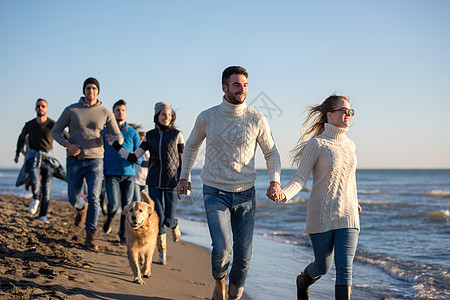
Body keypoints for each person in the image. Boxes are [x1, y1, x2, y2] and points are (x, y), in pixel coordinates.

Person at [176, 66, 283, 300]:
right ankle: (219, 281)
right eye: (236, 85)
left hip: (246, 194)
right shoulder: (208, 116)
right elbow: (192, 145)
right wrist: (184, 176)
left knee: (244, 255)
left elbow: (272, 153)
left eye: (245, 85)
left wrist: (274, 181)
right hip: (214, 191)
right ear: (224, 88)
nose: (242, 89)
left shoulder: (256, 117)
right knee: (223, 249)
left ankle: (235, 292)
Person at [269, 94, 361, 300]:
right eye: (343, 110)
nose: (348, 114)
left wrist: (355, 200)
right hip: (321, 215)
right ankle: (303, 282)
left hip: (348, 215)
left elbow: (350, 177)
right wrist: (284, 194)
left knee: (345, 269)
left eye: (350, 112)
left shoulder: (351, 145)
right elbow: (300, 178)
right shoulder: (317, 145)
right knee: (323, 266)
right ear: (329, 115)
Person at [106, 102, 184, 265]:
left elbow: (183, 160)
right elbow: (134, 157)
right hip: (154, 181)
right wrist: (115, 145)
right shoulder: (150, 136)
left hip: (171, 182)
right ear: (157, 116)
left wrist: (185, 181)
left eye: (169, 114)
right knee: (159, 218)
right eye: (163, 114)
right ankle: (162, 255)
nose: (166, 117)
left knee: (169, 220)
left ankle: (175, 224)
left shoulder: (178, 135)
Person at [51, 77, 124, 251]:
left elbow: (119, 136)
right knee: (73, 197)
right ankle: (81, 208)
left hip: (96, 160)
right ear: (84, 90)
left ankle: (90, 236)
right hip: (74, 161)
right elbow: (55, 131)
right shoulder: (71, 110)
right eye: (88, 88)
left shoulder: (106, 112)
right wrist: (67, 145)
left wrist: (113, 139)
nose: (91, 91)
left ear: (98, 91)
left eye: (94, 88)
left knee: (94, 197)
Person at [14, 98, 68, 223]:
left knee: (47, 188)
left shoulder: (52, 124)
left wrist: (71, 145)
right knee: (35, 181)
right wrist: (17, 153)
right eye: (38, 106)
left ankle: (43, 215)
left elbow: (65, 135)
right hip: (34, 158)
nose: (40, 108)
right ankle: (36, 198)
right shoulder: (30, 124)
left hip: (48, 160)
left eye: (43, 106)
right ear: (35, 108)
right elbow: (21, 138)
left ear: (47, 109)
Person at [102, 100, 141, 245]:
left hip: (129, 174)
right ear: (113, 113)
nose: (120, 112)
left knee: (127, 207)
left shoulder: (132, 132)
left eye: (122, 110)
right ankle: (109, 218)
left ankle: (123, 234)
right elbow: (100, 151)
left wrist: (134, 156)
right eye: (117, 110)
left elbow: (139, 156)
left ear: (126, 112)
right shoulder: (106, 131)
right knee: (113, 204)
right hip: (111, 173)